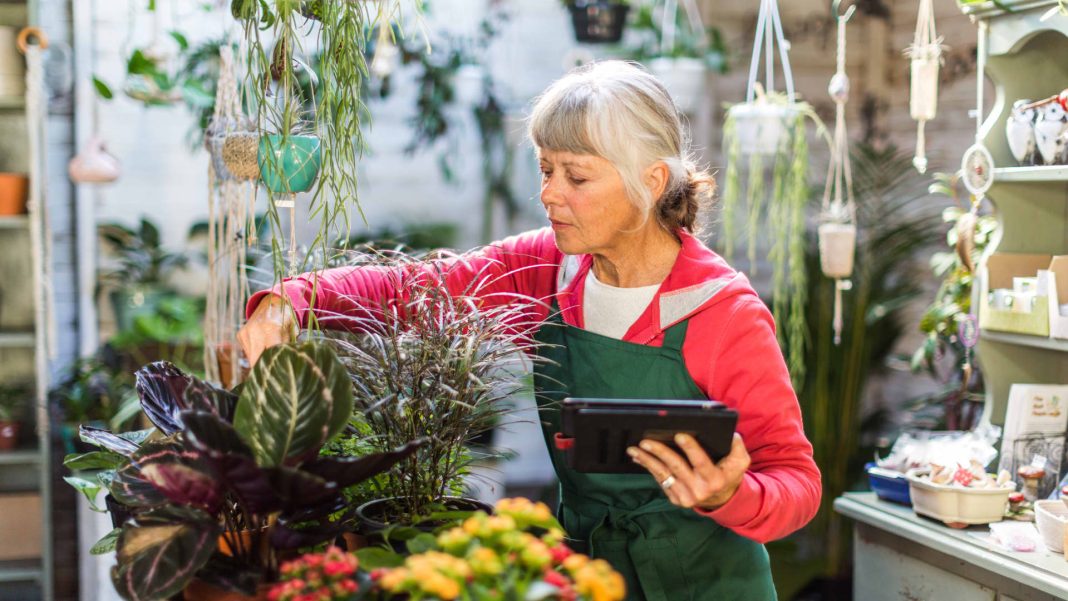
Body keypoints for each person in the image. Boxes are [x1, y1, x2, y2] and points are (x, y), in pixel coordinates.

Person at [238, 60, 820, 601]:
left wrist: (731, 495)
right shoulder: (548, 269)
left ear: (651, 180)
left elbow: (796, 481)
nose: (549, 194)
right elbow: (418, 288)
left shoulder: (722, 312)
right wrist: (291, 301)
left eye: (577, 177)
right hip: (589, 574)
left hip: (708, 583)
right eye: (546, 169)